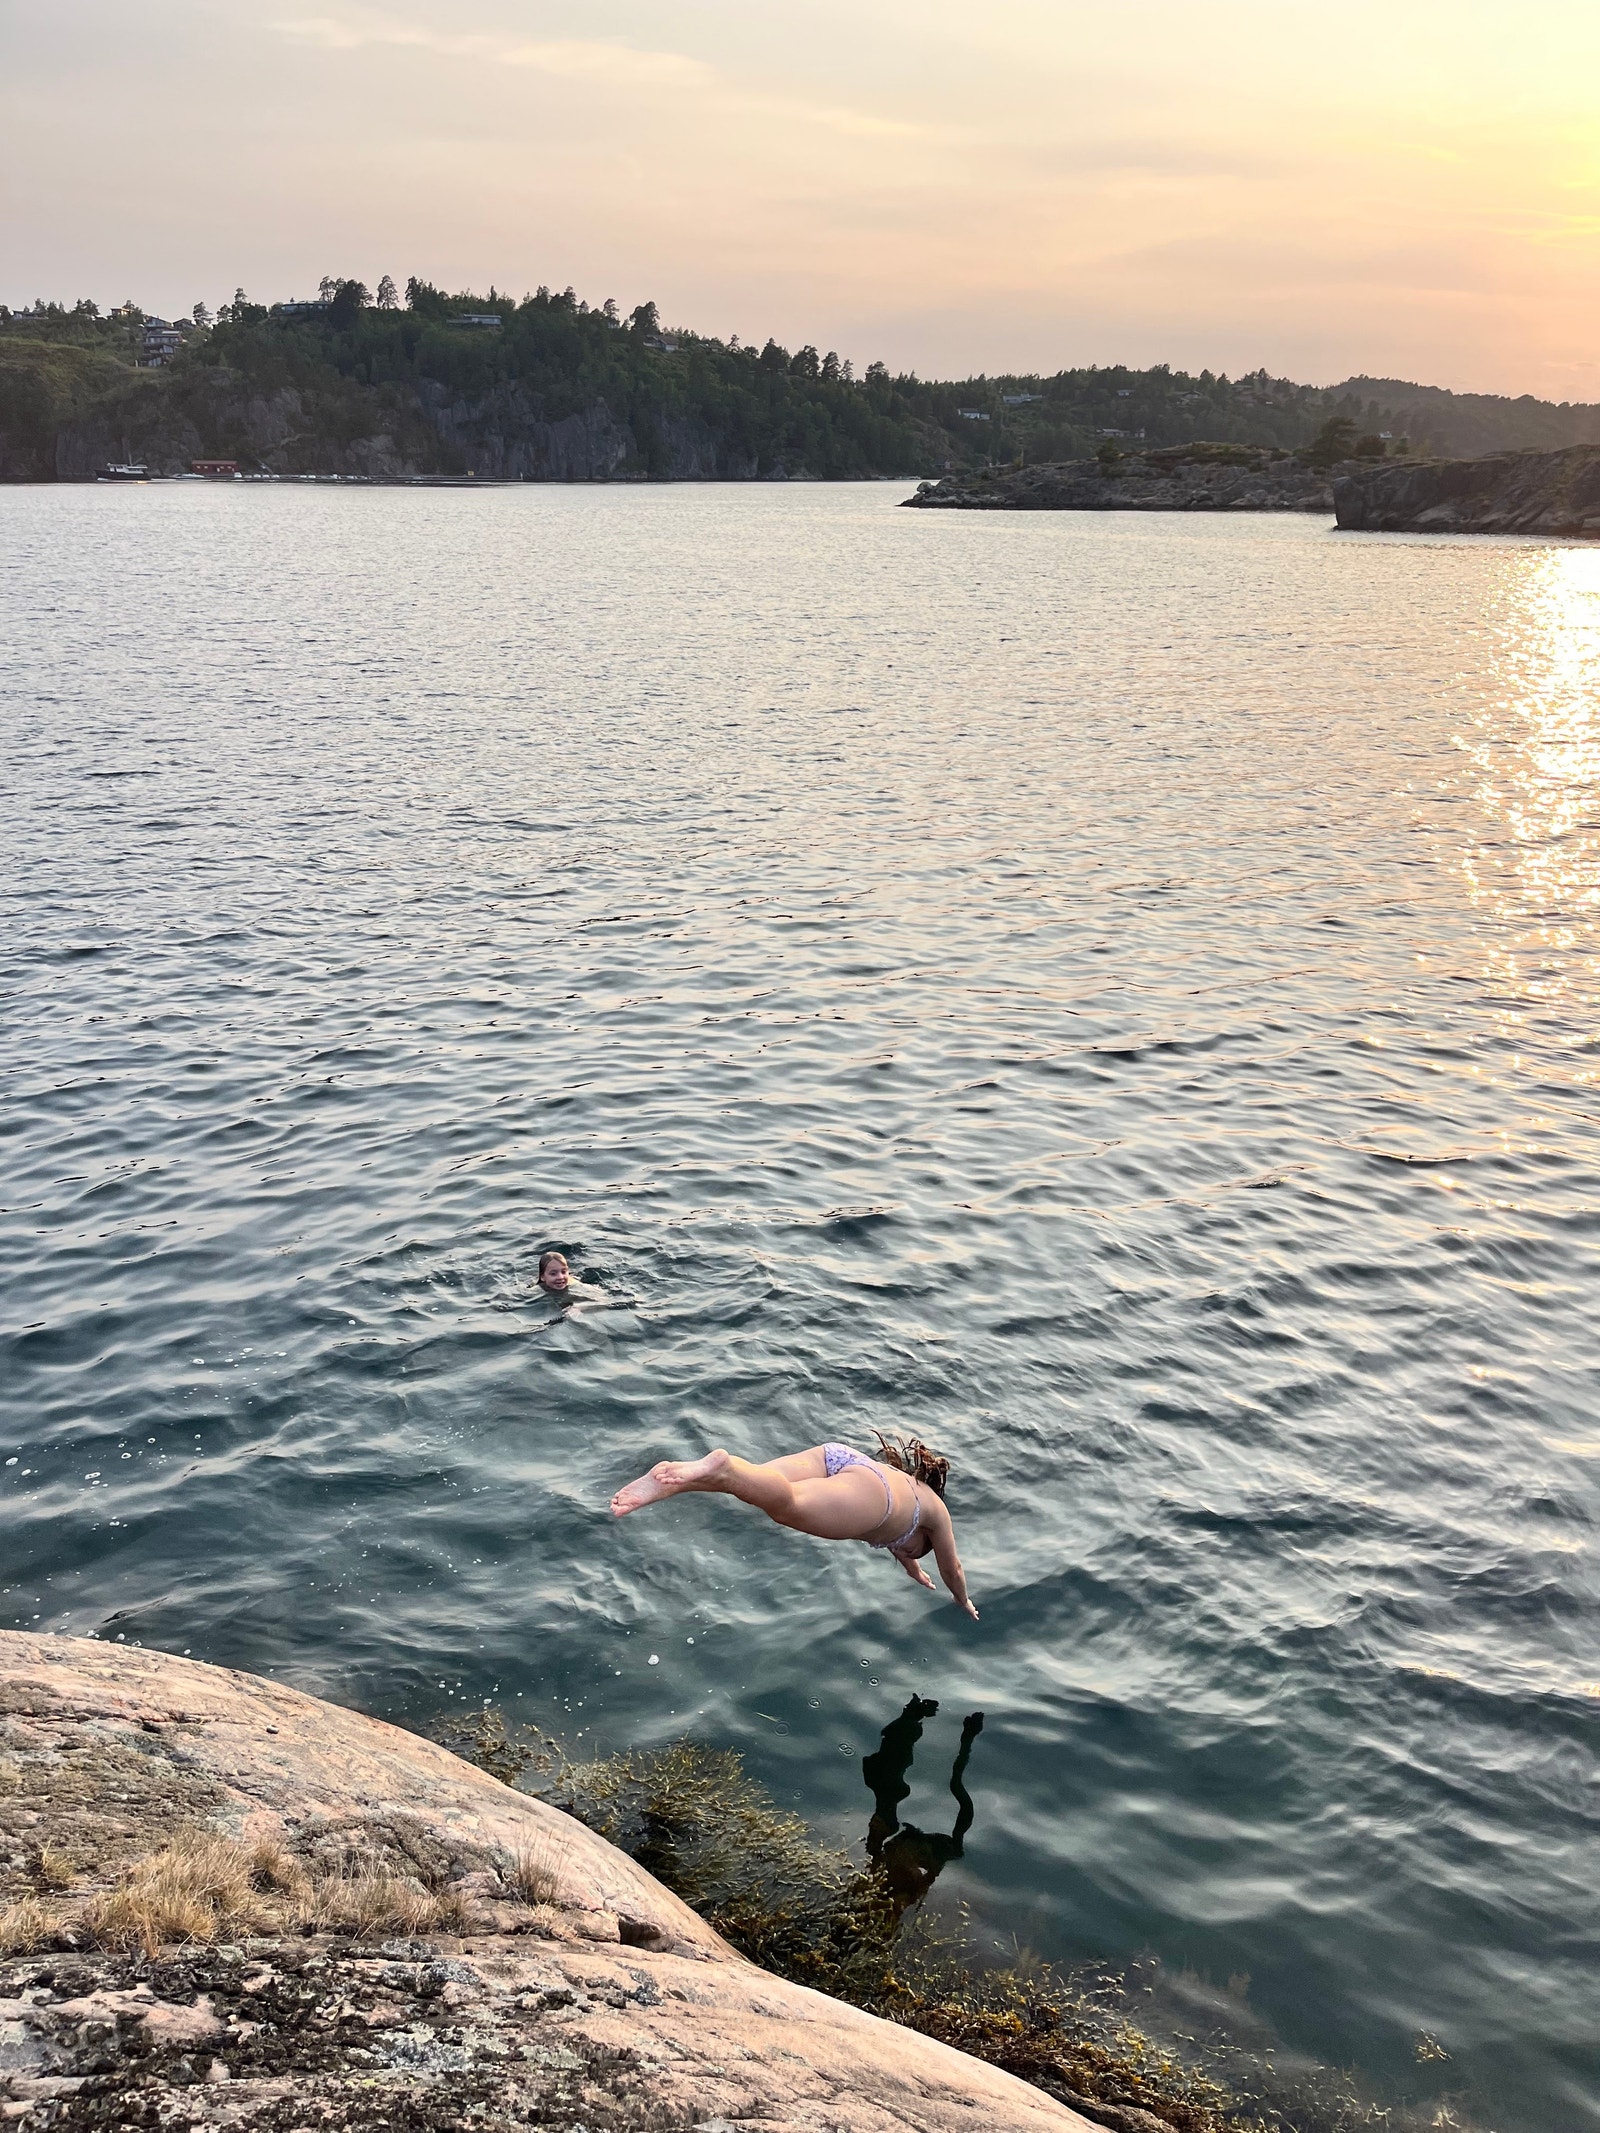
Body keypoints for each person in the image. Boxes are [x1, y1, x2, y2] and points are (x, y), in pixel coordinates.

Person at [610, 1433, 978, 1619]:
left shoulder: (912, 1488)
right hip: (874, 1494)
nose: (902, 1551)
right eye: (914, 1549)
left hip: (837, 1456)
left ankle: (673, 1480)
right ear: (922, 1534)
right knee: (786, 1507)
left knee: (754, 1482)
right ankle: (722, 1465)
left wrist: (912, 1568)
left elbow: (902, 1542)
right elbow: (953, 1567)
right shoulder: (936, 1514)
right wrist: (962, 1599)